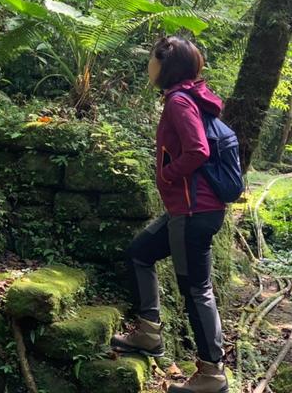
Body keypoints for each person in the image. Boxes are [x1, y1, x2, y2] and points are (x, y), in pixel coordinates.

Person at [110, 36, 228, 393]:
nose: (149, 66)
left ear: (166, 65)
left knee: (196, 290)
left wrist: (166, 174)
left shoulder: (179, 101)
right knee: (140, 252)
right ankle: (148, 333)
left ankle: (211, 375)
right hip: (190, 209)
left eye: (152, 60)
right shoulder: (190, 97)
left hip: (193, 212)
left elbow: (197, 150)